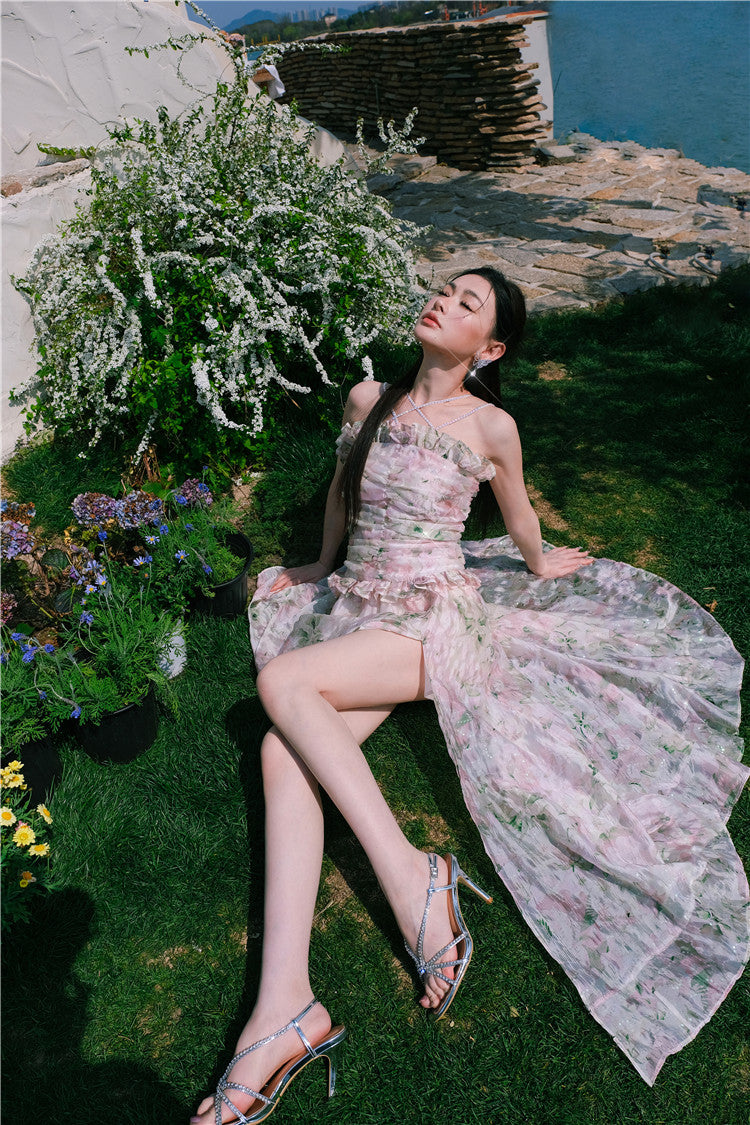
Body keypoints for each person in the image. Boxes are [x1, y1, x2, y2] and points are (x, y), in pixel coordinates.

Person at [192, 268, 748, 1123]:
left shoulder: (490, 425)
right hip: (362, 610)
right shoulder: (368, 398)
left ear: (489, 348)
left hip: (433, 621)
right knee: (280, 747)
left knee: (281, 682)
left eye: (466, 304)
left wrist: (540, 562)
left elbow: (517, 512)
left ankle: (416, 880)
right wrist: (318, 566)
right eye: (444, 290)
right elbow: (342, 492)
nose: (441, 302)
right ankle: (285, 1008)